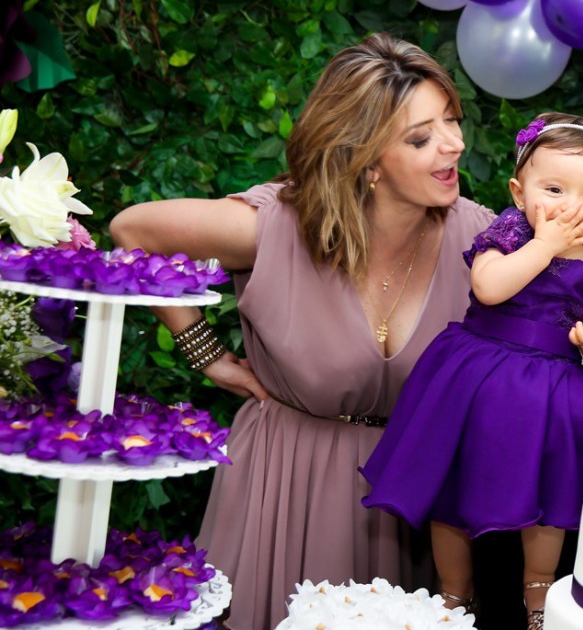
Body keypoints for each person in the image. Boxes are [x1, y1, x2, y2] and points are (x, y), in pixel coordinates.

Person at [108, 33, 496, 630]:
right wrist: (206, 353)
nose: (454, 144)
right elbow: (133, 232)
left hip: (409, 510)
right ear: (366, 158)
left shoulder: (483, 243)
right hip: (282, 491)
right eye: (422, 137)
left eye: (452, 120)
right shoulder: (276, 228)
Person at [359, 113, 583, 630]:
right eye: (554, 189)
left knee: (548, 498)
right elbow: (488, 288)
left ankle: (539, 598)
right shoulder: (508, 233)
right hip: (476, 379)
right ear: (518, 192)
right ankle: (452, 596)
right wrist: (544, 245)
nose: (571, 207)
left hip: (550, 396)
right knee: (451, 489)